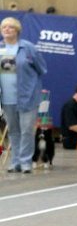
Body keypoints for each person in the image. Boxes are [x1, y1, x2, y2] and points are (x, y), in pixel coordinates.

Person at [0, 16, 47, 173]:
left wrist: (31, 86)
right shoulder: (0, 48)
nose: (7, 30)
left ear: (17, 31)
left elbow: (42, 69)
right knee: (13, 130)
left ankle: (26, 161)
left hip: (27, 97)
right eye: (4, 27)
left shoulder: (28, 48)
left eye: (10, 27)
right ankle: (15, 162)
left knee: (26, 129)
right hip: (7, 98)